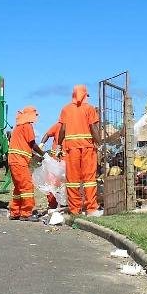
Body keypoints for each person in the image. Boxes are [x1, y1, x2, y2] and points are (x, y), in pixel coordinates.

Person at [56, 84, 102, 216]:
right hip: (87, 148)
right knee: (89, 179)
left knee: (72, 181)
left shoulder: (66, 109)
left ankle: (74, 210)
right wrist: (100, 144)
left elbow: (63, 130)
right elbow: (93, 128)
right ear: (85, 95)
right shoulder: (89, 108)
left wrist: (59, 145)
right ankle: (91, 209)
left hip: (71, 149)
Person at [8, 106, 45, 222]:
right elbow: (32, 144)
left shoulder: (18, 127)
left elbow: (25, 147)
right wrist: (43, 153)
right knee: (27, 186)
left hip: (14, 160)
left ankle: (15, 212)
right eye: (35, 115)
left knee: (19, 188)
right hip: (19, 161)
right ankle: (26, 213)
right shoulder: (27, 125)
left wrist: (36, 156)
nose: (35, 117)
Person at [39, 122, 63, 210]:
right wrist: (42, 144)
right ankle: (52, 204)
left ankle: (65, 204)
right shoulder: (58, 125)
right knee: (53, 183)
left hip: (67, 161)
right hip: (55, 161)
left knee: (66, 184)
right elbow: (47, 134)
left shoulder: (74, 126)